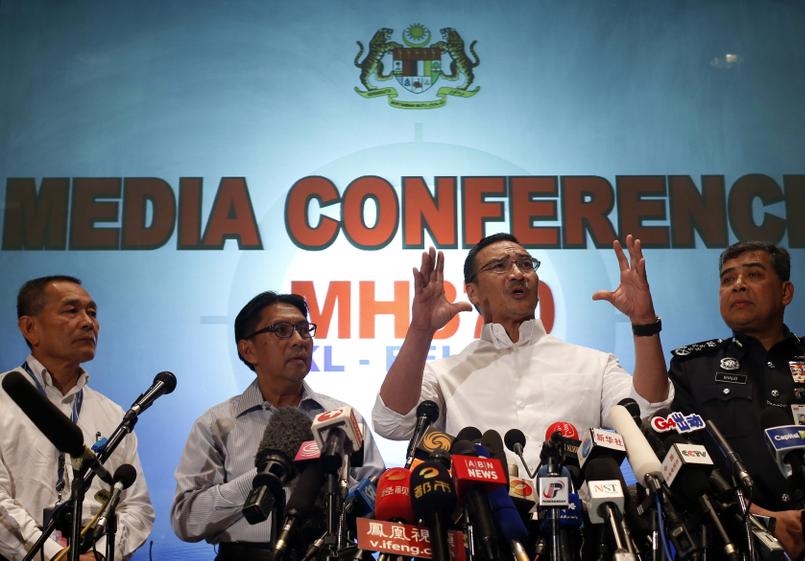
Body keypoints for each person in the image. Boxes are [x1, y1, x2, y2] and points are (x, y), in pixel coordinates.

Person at [372, 232, 672, 468]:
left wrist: (643, 321)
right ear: (472, 291)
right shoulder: (445, 373)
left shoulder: (594, 364)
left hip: (580, 532)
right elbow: (392, 423)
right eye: (500, 266)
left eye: (526, 264)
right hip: (481, 534)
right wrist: (421, 331)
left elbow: (647, 412)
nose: (518, 273)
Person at [171, 292, 384, 560]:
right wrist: (268, 476)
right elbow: (186, 520)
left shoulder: (342, 418)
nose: (299, 341)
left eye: (304, 330)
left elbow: (379, 502)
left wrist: (337, 487)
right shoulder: (216, 424)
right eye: (282, 330)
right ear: (248, 350)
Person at [669, 241, 805, 558]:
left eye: (753, 275)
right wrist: (762, 519)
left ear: (786, 293)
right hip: (738, 543)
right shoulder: (693, 369)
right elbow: (683, 466)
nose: (738, 286)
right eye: (727, 279)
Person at [0, 276, 155, 561]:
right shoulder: (3, 398)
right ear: (29, 327)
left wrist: (97, 555)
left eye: (92, 313)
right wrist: (55, 556)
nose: (88, 323)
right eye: (71, 311)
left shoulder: (114, 414)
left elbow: (137, 508)